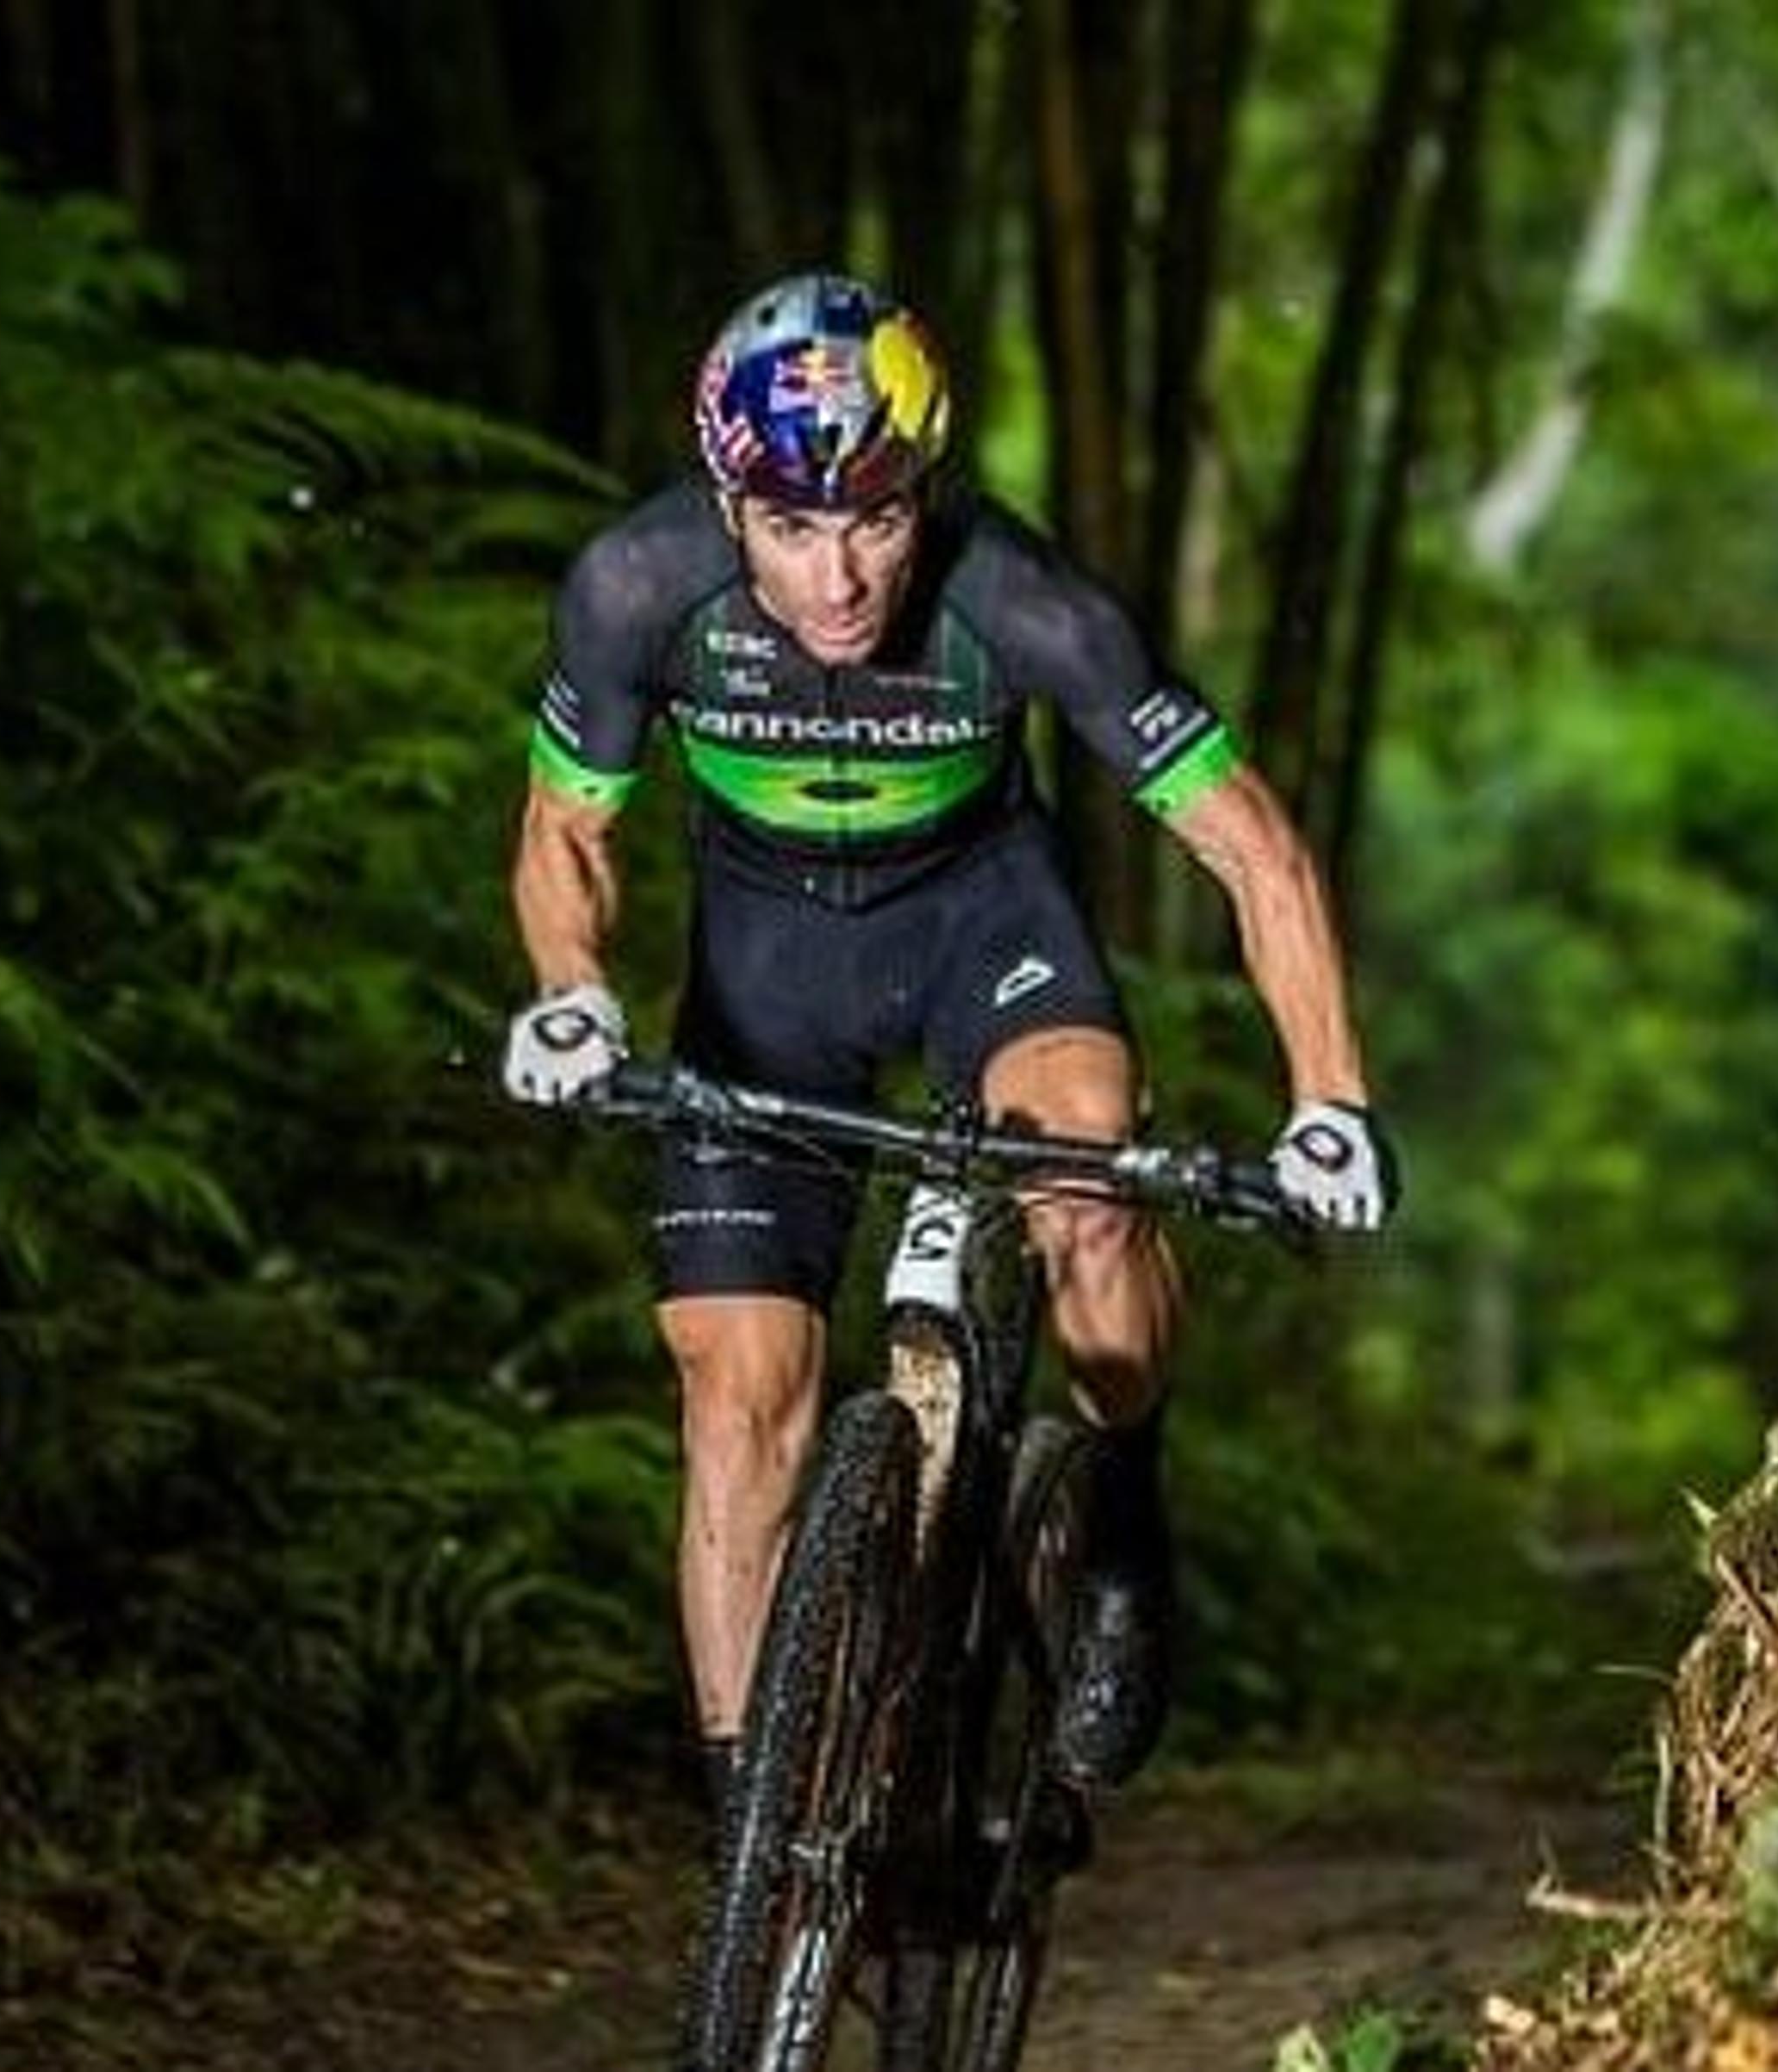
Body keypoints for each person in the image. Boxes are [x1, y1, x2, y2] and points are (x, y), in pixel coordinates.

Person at [498, 270, 1396, 1808]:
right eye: (790, 528)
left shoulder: (1023, 601)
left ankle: (1120, 1511)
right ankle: (755, 1846)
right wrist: (572, 992)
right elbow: (565, 831)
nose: (841, 577)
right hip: (764, 975)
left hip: (990, 930)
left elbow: (1255, 849)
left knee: (1092, 1216)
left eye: (877, 520)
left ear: (929, 487)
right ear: (728, 503)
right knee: (735, 1393)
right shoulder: (635, 588)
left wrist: (1332, 1100)